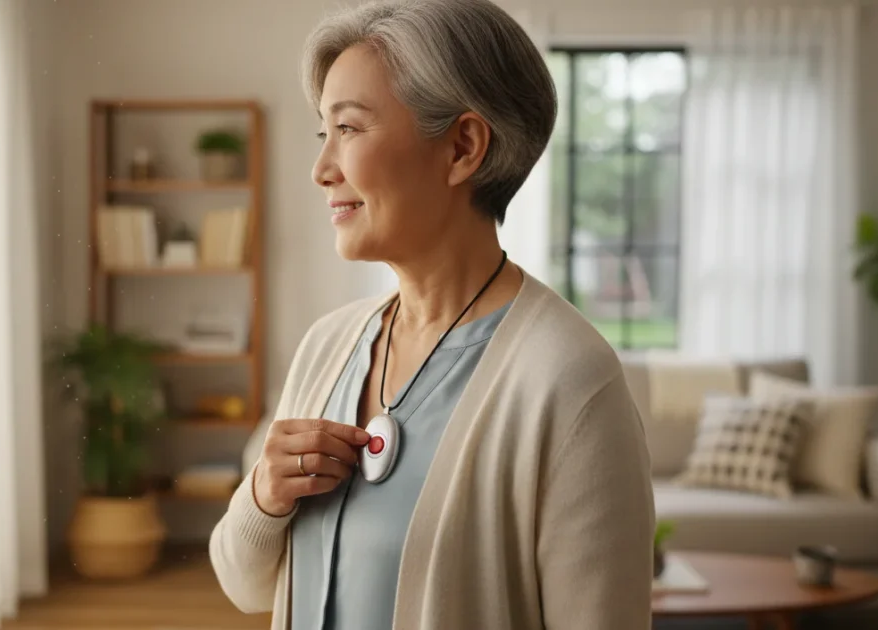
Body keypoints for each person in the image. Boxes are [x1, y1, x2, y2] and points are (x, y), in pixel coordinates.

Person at [209, 0, 654, 628]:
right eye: (322, 133)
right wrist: (264, 498)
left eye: (351, 129)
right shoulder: (327, 345)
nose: (321, 169)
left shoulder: (570, 380)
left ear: (462, 147)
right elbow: (244, 586)